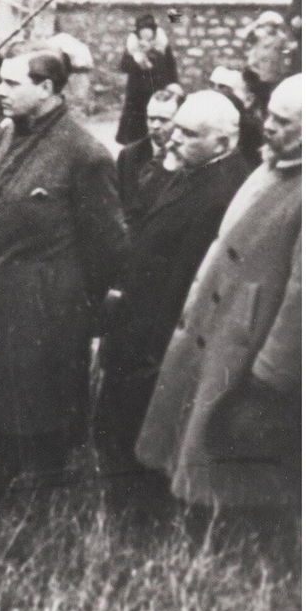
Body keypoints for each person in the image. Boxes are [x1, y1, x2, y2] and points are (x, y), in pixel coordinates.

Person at [135, 77, 300, 546]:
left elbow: (304, 297)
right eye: (268, 115)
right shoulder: (274, 166)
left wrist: (271, 374)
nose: (266, 127)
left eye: (282, 122)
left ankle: (231, 542)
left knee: (228, 446)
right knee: (195, 436)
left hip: (250, 339)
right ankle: (198, 523)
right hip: (217, 323)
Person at [0, 50, 126, 498]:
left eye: (13, 83)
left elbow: (107, 246)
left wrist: (65, 301)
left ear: (48, 88)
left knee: (40, 414)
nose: (0, 91)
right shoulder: (8, 134)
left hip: (44, 313)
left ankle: (42, 503)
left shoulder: (84, 154)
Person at [96, 90, 249, 511]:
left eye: (189, 133)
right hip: (140, 320)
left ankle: (137, 518)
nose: (174, 139)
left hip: (158, 334)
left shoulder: (221, 193)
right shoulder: (193, 169)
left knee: (139, 433)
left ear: (223, 142)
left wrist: (149, 341)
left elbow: (187, 280)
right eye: (175, 128)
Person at [116, 85, 185, 227]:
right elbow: (117, 204)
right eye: (151, 118)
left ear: (179, 121)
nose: (155, 125)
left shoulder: (186, 156)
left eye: (164, 120)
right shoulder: (129, 155)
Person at [116, 13, 179, 146]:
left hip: (157, 90)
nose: (145, 37)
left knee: (158, 122)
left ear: (154, 32)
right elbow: (124, 66)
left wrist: (173, 85)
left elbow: (170, 67)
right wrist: (138, 59)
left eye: (148, 32)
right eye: (142, 32)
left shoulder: (161, 45)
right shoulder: (132, 46)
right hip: (137, 92)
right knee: (135, 128)